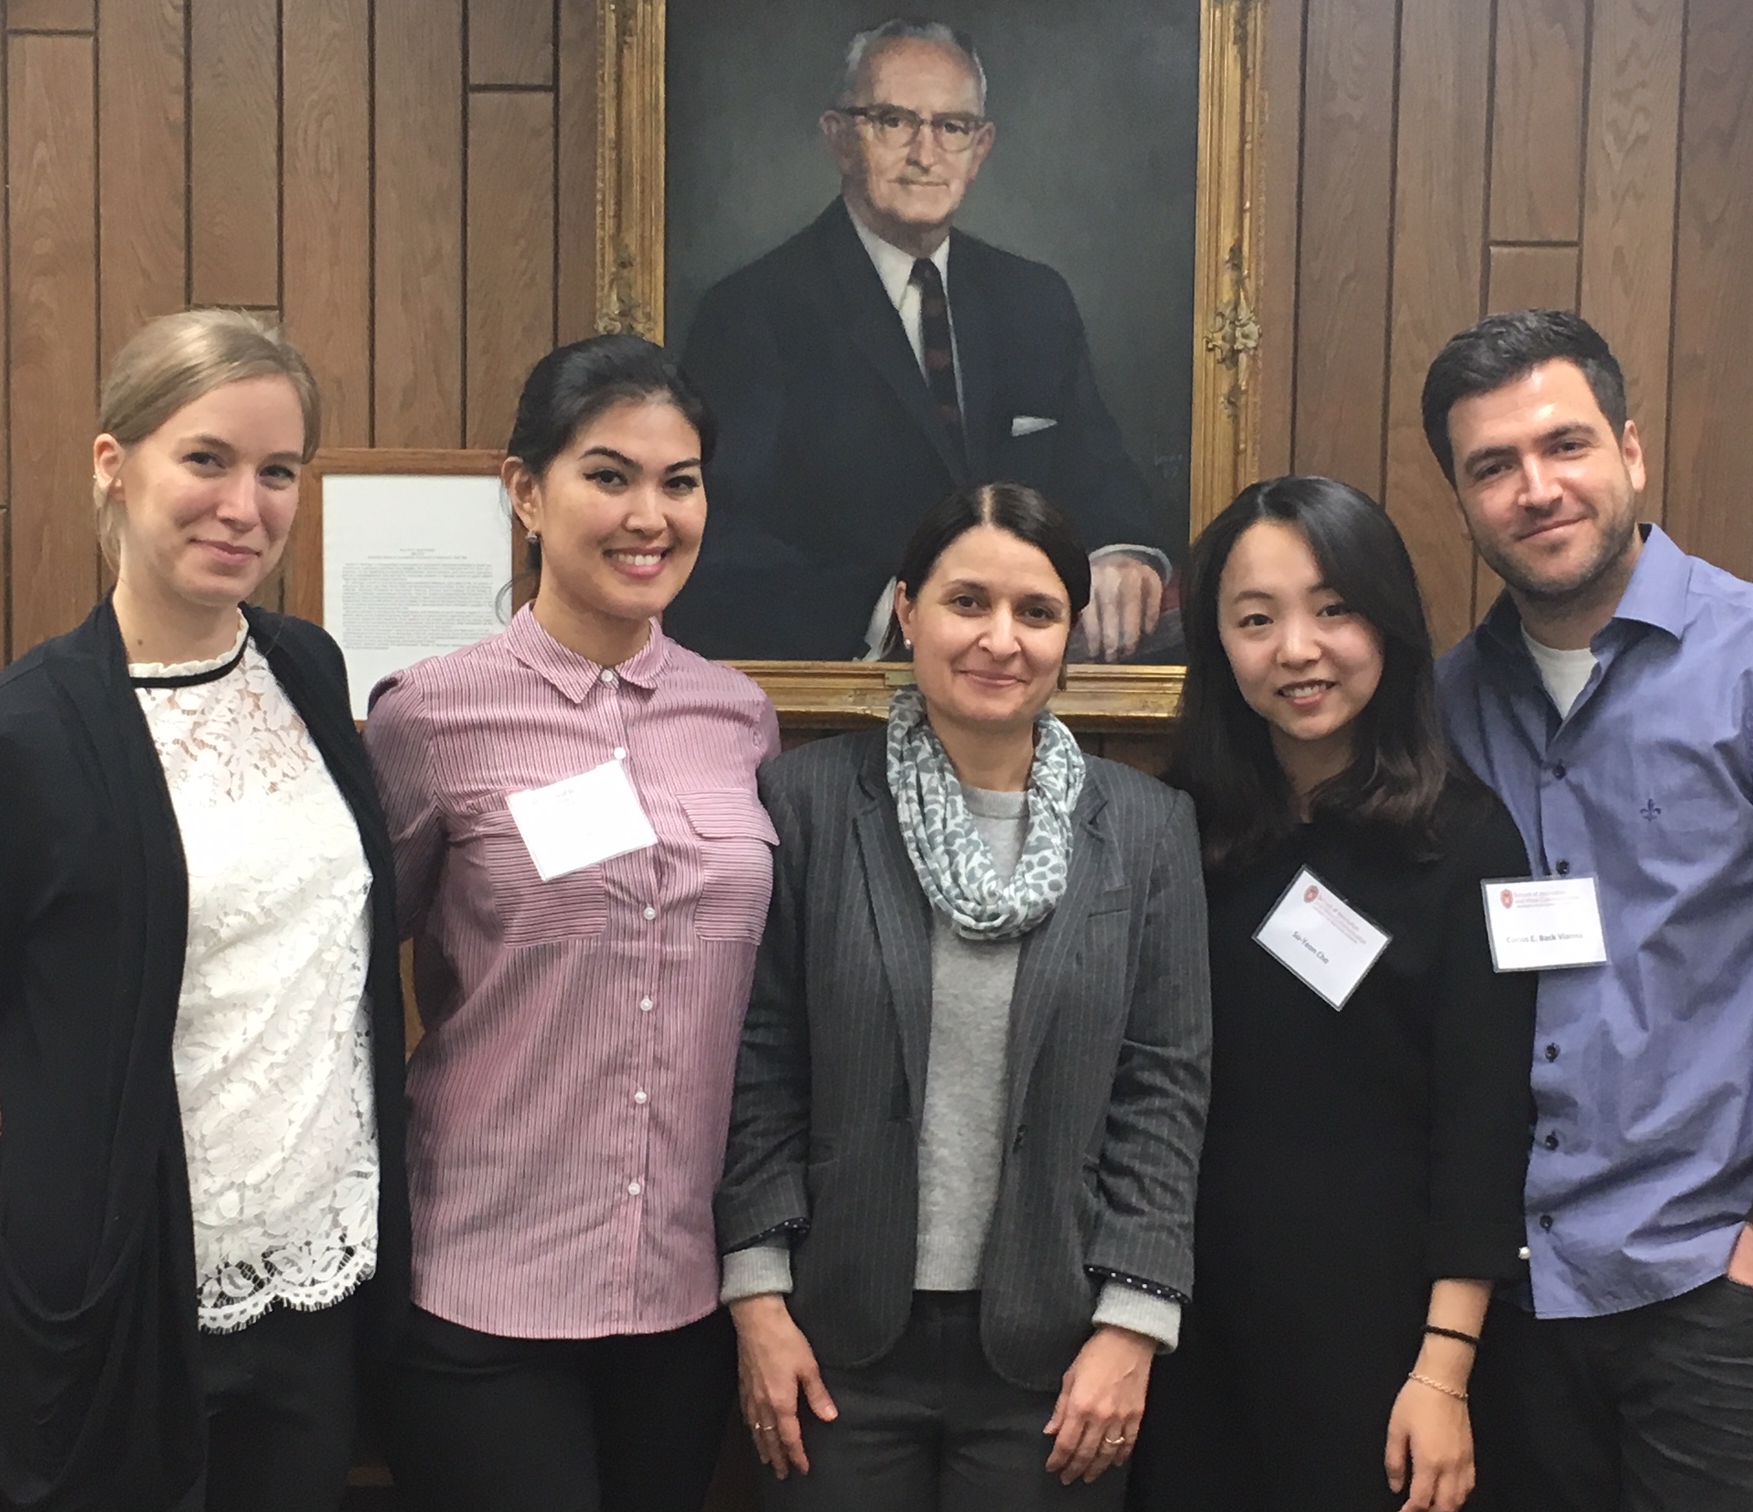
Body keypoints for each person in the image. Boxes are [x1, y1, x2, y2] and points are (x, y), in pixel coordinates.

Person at [0, 309, 411, 1512]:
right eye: (208, 459)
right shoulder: (5, 746)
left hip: (312, 1307)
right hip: (97, 1322)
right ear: (112, 465)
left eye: (278, 471)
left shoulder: (310, 673)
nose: (246, 504)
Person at [1423, 308, 1753, 1512]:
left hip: (1722, 1282)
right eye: (1493, 467)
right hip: (1519, 1296)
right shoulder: (1446, 707)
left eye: (1565, 445)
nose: (1536, 489)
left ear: (1630, 450)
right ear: (1462, 498)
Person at [717, 482, 1211, 1510]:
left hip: (1057, 1350)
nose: (1001, 639)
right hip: (836, 1343)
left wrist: (1134, 1322)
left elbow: (1165, 1088)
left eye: (1036, 613)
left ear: (1071, 633)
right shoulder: (808, 802)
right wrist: (757, 1301)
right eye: (967, 602)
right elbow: (759, 1063)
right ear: (907, 610)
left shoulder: (1147, 827)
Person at [360, 333, 780, 1512]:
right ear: (524, 490)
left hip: (680, 1296)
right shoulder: (431, 718)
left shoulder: (736, 717)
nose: (650, 514)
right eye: (609, 475)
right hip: (480, 1282)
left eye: (679, 481)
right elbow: (339, 971)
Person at [1127, 476, 1538, 1512]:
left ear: (1387, 621)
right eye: (1255, 620)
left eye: (1332, 609)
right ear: (1217, 643)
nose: (1296, 649)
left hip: (1387, 1341)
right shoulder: (1176, 827)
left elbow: (1485, 1124)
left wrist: (1443, 1371)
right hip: (1189, 1329)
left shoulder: (1467, 840)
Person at [668, 19, 1172, 663]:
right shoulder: (752, 312)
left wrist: (1121, 553)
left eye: (952, 127)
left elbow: (1103, 477)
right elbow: (718, 535)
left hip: (1024, 678)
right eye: (894, 121)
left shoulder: (1036, 301)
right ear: (840, 138)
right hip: (845, 682)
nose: (925, 153)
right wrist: (889, 614)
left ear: (981, 146)